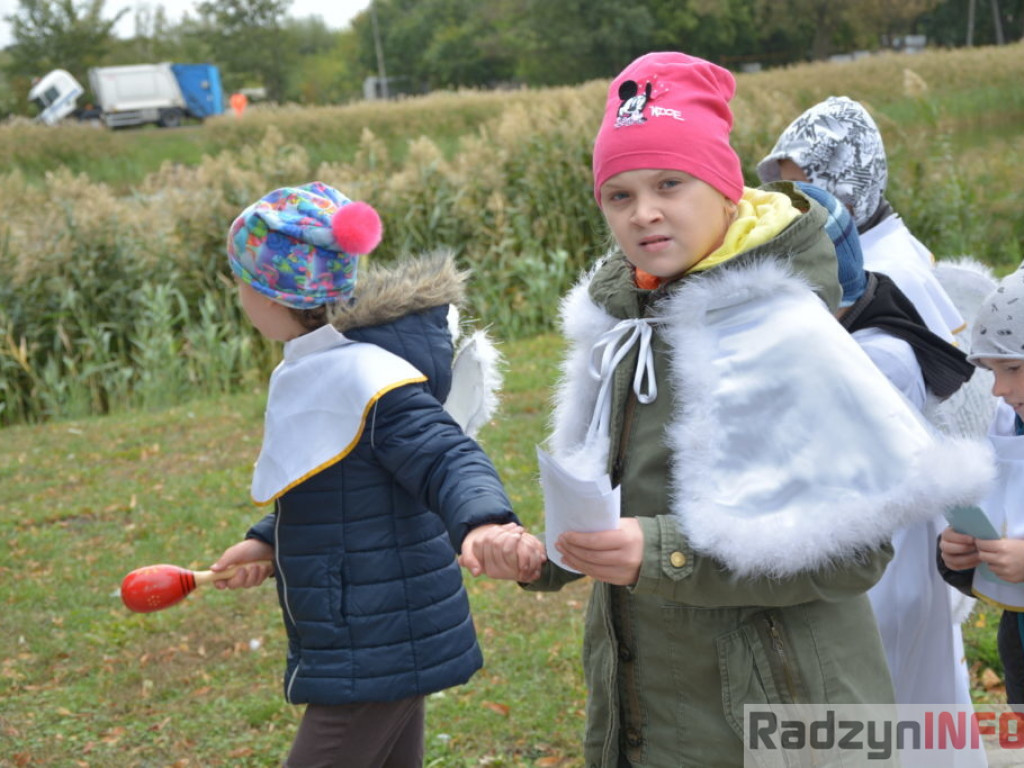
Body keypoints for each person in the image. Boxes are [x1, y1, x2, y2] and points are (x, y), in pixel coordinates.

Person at [466, 52, 995, 768]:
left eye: (669, 183)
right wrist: (544, 556)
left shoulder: (788, 333)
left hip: (780, 722)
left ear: (723, 186)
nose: (644, 211)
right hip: (648, 707)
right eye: (618, 195)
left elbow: (855, 552)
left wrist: (662, 552)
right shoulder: (623, 332)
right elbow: (613, 506)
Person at [207, 181, 544, 768]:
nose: (238, 295)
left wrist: (485, 522)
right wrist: (268, 540)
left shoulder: (371, 379)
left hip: (377, 632)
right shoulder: (326, 365)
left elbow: (447, 456)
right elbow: (335, 483)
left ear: (270, 294)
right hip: (372, 625)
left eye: (241, 282)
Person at [801, 181, 987, 766]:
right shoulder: (856, 331)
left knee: (897, 716)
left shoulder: (876, 357)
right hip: (879, 560)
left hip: (885, 566)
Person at [756, 95, 966, 346]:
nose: (793, 205)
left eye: (808, 189)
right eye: (788, 188)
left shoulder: (888, 275)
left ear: (850, 190)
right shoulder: (848, 245)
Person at [939, 266, 1024, 706]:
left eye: (1013, 368)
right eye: (992, 371)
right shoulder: (1011, 432)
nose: (998, 389)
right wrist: (960, 556)